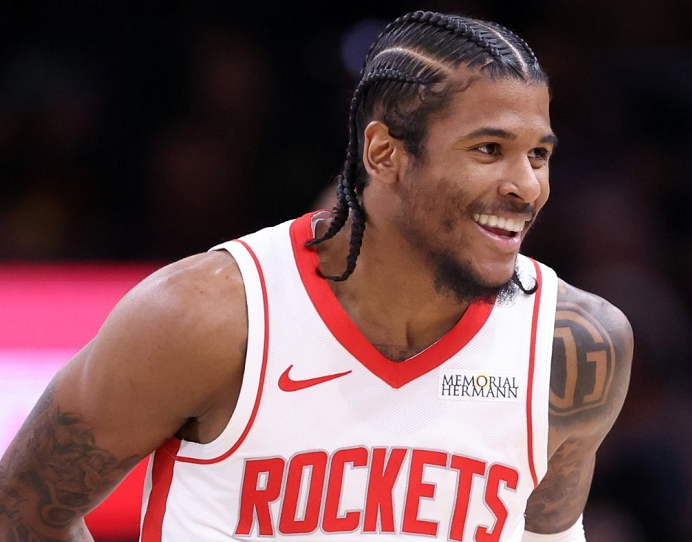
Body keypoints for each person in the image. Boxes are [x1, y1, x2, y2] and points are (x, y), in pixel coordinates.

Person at [0, 10, 632, 542]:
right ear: (384, 153)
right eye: (488, 150)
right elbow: (21, 512)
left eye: (538, 154)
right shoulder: (206, 315)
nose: (527, 186)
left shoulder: (575, 345)